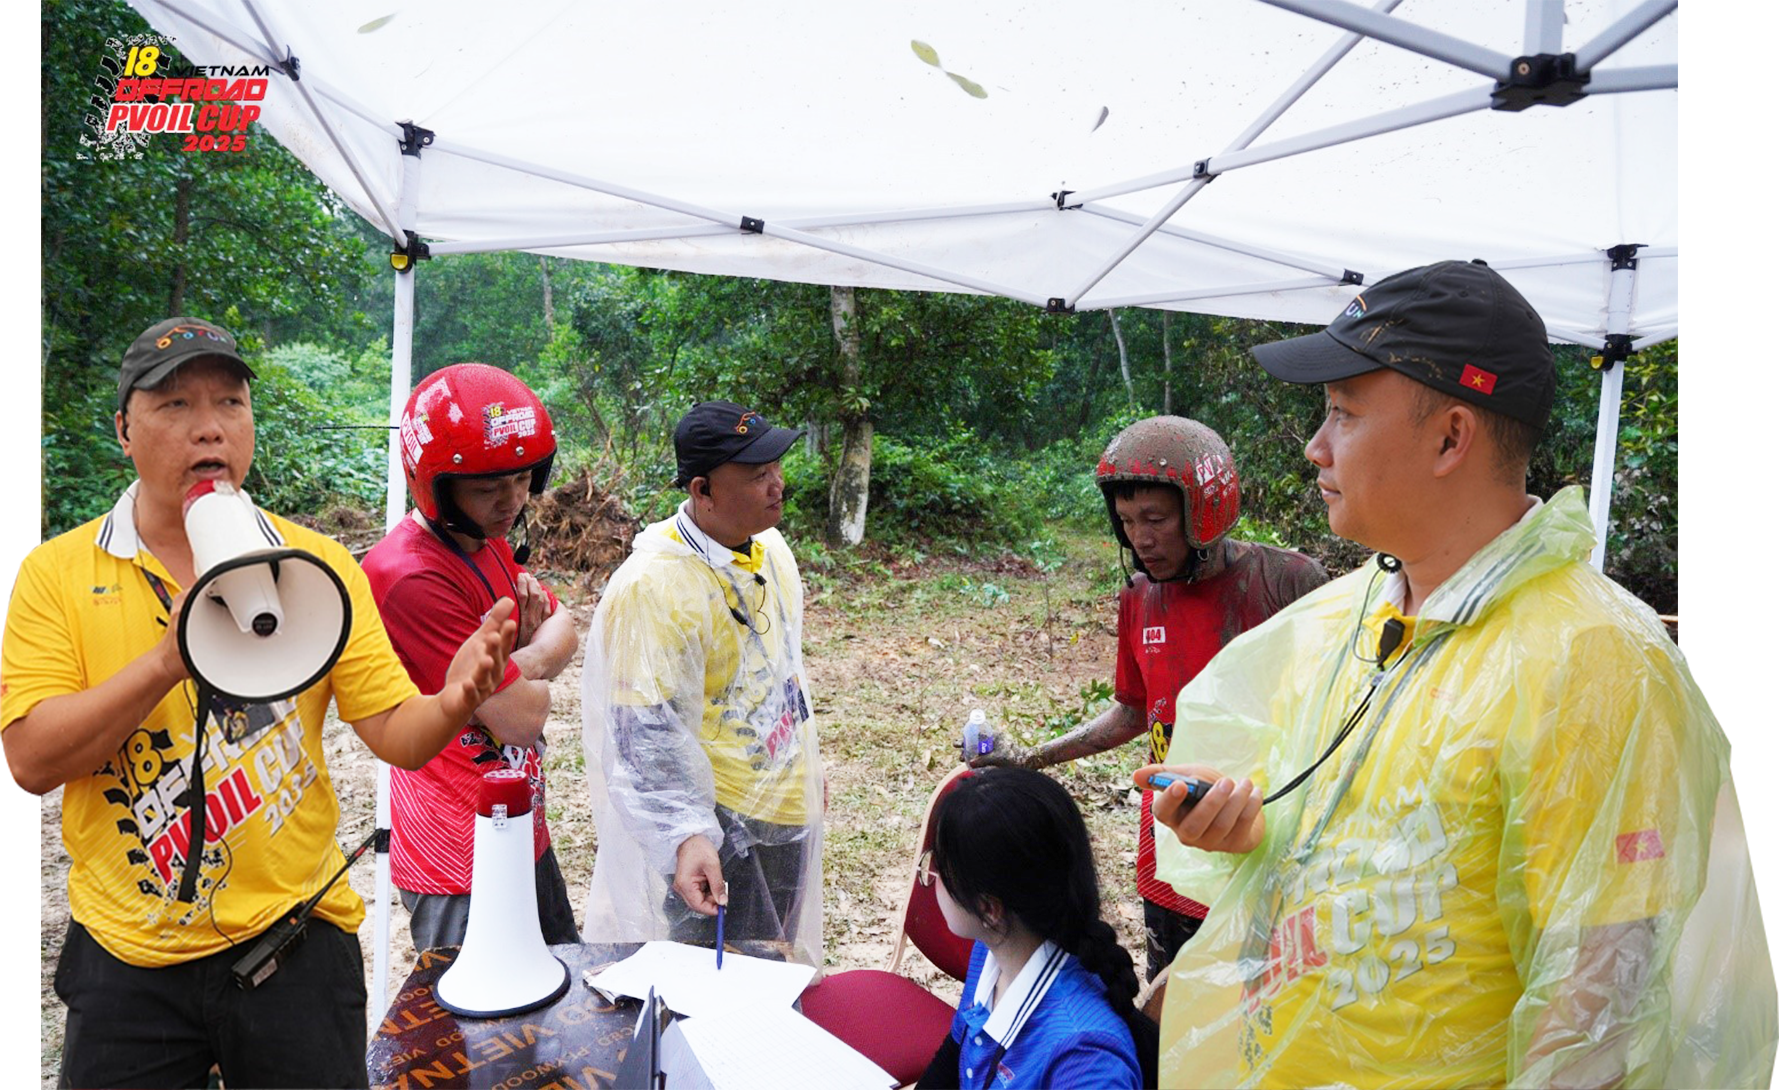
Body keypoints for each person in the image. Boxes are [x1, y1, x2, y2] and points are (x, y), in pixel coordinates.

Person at [1141, 261, 1779, 1088]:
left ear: (1449, 437)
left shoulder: (1593, 662)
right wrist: (1248, 828)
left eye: (1341, 413)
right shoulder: (1357, 615)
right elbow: (1374, 850)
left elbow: (1599, 1013)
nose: (1314, 445)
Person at [1, 318, 514, 1089]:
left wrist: (453, 699)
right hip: (127, 956)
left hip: (294, 942)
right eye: (174, 406)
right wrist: (169, 659)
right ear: (123, 430)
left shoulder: (319, 565)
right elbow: (32, 759)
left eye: (230, 403)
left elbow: (395, 735)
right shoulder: (57, 573)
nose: (209, 427)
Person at [972, 416, 1324, 980]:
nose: (1141, 538)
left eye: (1156, 519)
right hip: (1167, 825)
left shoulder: (1289, 582)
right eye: (1127, 521)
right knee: (1174, 994)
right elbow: (1135, 711)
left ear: (1204, 508)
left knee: (1263, 994)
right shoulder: (1140, 597)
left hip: (1259, 829)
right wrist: (1029, 760)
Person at [582, 400, 824, 964]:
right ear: (702, 489)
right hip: (723, 824)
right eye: (757, 475)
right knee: (714, 986)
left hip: (784, 806)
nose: (777, 486)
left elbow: (784, 670)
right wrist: (688, 836)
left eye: (776, 469)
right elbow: (644, 736)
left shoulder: (771, 551)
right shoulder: (655, 586)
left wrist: (807, 766)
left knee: (773, 968)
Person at [362, 363, 580, 951]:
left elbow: (565, 626)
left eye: (521, 479)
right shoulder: (410, 576)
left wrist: (516, 665)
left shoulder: (485, 542)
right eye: (488, 488)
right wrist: (524, 666)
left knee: (559, 1001)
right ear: (435, 487)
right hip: (458, 852)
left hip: (517, 822)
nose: (511, 500)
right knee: (471, 1033)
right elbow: (522, 717)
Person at [914, 767, 1150, 1090]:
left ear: (988, 908)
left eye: (938, 866)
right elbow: (953, 1058)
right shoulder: (993, 952)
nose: (929, 876)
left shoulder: (1085, 1061)